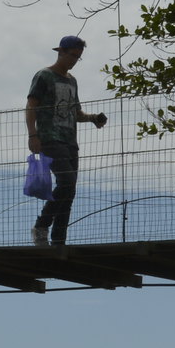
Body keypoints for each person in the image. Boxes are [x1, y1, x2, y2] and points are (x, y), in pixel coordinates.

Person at [26, 35, 107, 246]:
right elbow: (30, 105)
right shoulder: (44, 75)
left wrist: (92, 118)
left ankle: (59, 240)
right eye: (72, 55)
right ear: (60, 51)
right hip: (50, 138)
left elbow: (75, 112)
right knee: (67, 182)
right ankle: (42, 225)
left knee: (69, 191)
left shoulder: (72, 81)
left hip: (70, 141)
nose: (73, 61)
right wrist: (32, 134)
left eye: (78, 57)